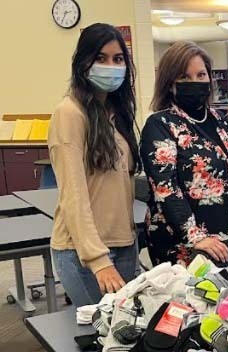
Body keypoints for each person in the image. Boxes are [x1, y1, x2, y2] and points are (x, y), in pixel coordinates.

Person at [49, 23, 140, 307]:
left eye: (118, 59)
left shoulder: (115, 112)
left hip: (125, 244)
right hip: (84, 252)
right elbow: (73, 195)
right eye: (101, 58)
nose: (111, 66)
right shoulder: (69, 113)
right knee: (101, 336)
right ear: (83, 62)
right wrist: (98, 261)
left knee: (125, 333)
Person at [140, 42, 228, 266]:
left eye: (201, 75)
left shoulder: (222, 121)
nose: (195, 82)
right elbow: (165, 188)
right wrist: (196, 236)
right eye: (185, 77)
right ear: (170, 83)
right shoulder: (160, 124)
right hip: (185, 245)